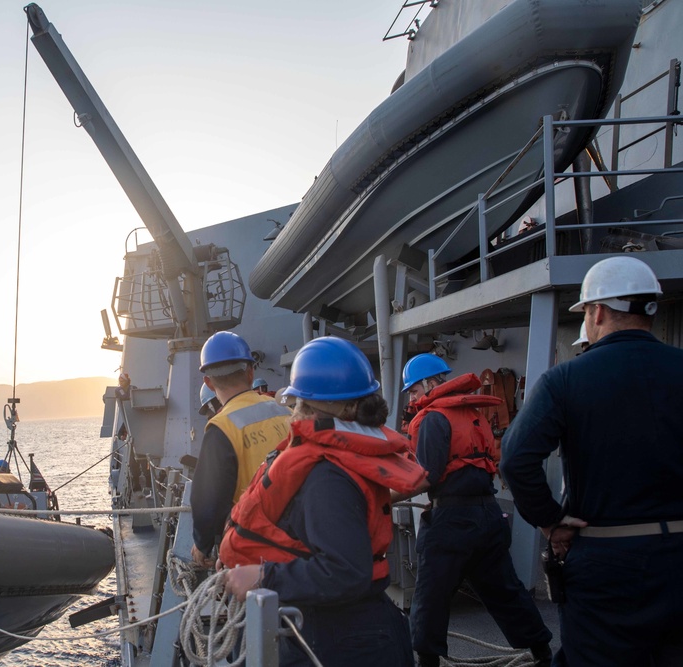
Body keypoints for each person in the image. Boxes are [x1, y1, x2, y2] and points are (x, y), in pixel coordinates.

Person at [501, 256, 683, 666]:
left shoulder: (566, 379)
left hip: (608, 565)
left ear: (597, 311)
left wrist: (550, 520)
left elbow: (516, 459)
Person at [219, 337, 426, 667]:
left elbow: (345, 571)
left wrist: (262, 575)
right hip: (355, 627)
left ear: (308, 404)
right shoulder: (343, 456)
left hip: (344, 637)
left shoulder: (326, 476)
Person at [401, 353, 553, 667]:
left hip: (452, 522)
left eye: (414, 391)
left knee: (430, 595)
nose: (412, 398)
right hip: (488, 515)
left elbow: (426, 475)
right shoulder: (474, 413)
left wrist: (382, 497)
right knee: (504, 590)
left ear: (430, 384)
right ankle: (542, 652)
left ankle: (426, 661)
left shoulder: (432, 418)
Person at [190, 331, 290, 569]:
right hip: (298, 532)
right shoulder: (283, 411)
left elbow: (208, 502)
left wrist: (202, 545)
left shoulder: (221, 428)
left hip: (253, 545)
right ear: (250, 372)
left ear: (209, 382)